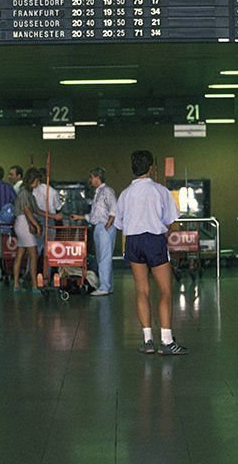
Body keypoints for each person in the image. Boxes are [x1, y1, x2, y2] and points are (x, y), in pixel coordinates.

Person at [115, 150, 187, 355]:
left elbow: (120, 223)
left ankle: (147, 340)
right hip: (153, 239)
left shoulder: (125, 193)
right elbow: (172, 222)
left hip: (133, 241)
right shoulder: (160, 190)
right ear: (151, 168)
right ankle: (166, 341)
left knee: (142, 290)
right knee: (165, 290)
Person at [71, 167, 118, 296]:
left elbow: (114, 206)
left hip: (104, 227)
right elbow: (94, 215)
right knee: (102, 257)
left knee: (104, 258)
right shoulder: (98, 193)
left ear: (98, 177)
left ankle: (104, 287)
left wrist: (109, 223)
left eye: (91, 177)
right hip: (99, 226)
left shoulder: (107, 191)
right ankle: (107, 285)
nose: (90, 180)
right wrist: (80, 217)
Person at [12, 168, 45, 294]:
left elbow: (36, 210)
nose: (37, 184)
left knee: (20, 253)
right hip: (24, 223)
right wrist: (36, 224)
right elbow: (27, 210)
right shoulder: (25, 192)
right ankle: (34, 285)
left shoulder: (27, 192)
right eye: (37, 181)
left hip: (21, 223)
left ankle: (16, 284)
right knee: (33, 255)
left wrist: (51, 216)